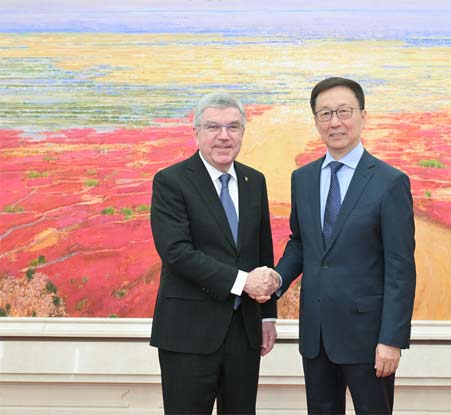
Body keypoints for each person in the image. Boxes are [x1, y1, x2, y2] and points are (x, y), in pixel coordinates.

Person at [275, 77, 417, 414]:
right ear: (316, 121)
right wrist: (278, 279)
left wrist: (392, 339)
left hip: (369, 338)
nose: (334, 122)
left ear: (363, 116)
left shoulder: (390, 182)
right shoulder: (303, 179)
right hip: (317, 335)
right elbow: (301, 243)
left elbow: (400, 269)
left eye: (343, 111)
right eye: (325, 114)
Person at [150, 92, 280, 414]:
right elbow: (177, 253)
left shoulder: (254, 181)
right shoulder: (171, 181)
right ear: (196, 132)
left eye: (233, 127)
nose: (224, 136)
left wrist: (267, 315)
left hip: (244, 332)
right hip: (188, 334)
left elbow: (262, 251)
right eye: (213, 127)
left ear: (242, 133)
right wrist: (242, 282)